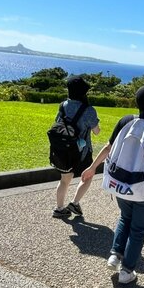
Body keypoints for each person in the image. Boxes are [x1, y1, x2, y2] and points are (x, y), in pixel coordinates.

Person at [81, 84, 144, 284]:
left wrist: (92, 168)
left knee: (125, 217)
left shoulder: (126, 121)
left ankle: (115, 255)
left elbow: (108, 148)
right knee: (138, 230)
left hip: (120, 184)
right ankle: (126, 271)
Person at [52, 76, 100, 218]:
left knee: (64, 180)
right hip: (83, 152)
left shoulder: (63, 105)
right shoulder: (89, 110)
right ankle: (75, 202)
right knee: (87, 177)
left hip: (64, 150)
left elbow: (58, 123)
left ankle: (59, 208)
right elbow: (96, 131)